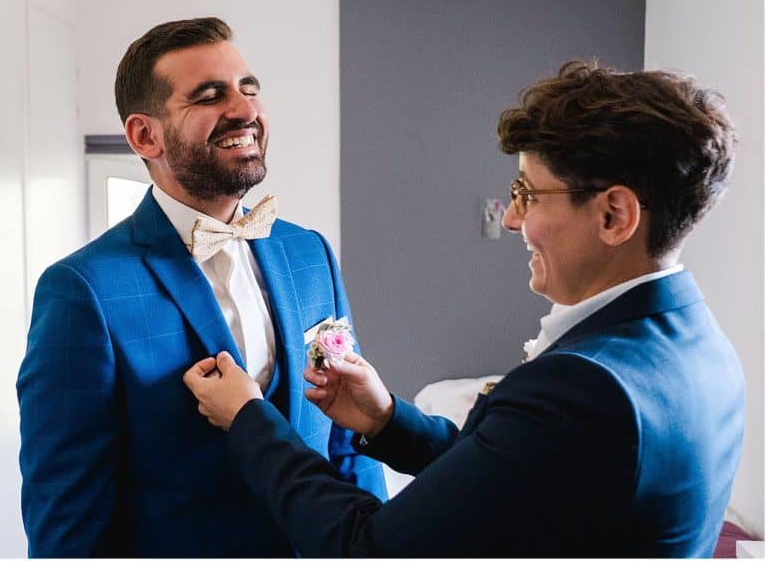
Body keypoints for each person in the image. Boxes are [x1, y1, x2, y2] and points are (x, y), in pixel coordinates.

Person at [184, 61, 745, 557]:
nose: (510, 220)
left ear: (614, 215)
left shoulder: (584, 387)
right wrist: (386, 420)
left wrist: (250, 420)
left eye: (528, 193)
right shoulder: (700, 343)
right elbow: (509, 481)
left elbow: (369, 548)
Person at [17, 17, 386, 557]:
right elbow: (67, 512)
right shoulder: (83, 290)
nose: (245, 110)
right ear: (146, 135)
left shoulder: (310, 254)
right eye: (210, 95)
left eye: (248, 88)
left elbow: (349, 436)